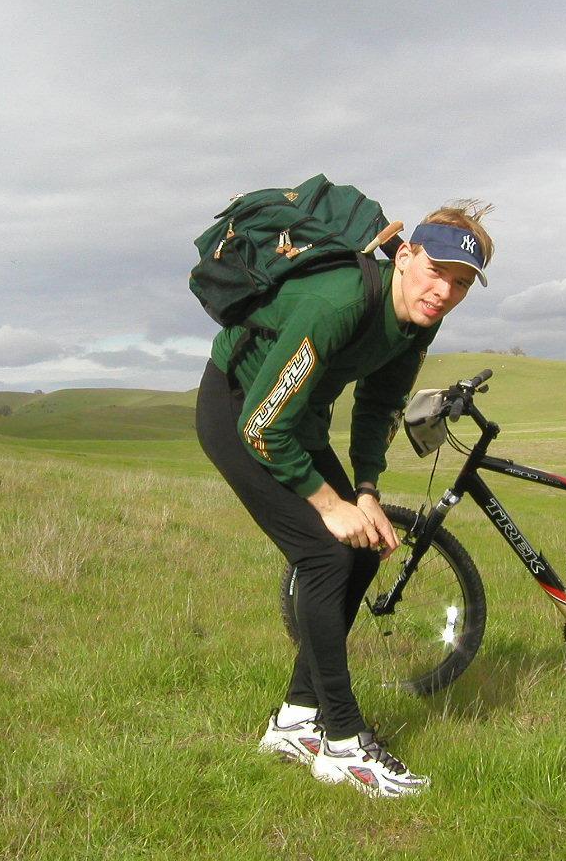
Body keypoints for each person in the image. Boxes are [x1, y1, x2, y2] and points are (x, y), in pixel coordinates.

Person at [195, 200, 493, 798]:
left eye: (461, 283)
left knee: (362, 550)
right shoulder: (337, 301)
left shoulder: (420, 320)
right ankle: (343, 742)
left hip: (293, 420)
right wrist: (331, 508)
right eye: (437, 271)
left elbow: (379, 405)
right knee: (327, 554)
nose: (445, 292)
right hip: (237, 412)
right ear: (405, 256)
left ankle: (297, 720)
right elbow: (260, 424)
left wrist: (366, 493)